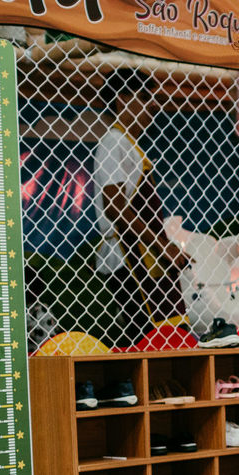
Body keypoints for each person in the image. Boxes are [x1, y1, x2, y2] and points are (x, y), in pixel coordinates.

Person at [92, 68, 191, 348]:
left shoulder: (130, 144)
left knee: (160, 333)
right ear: (124, 99)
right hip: (128, 254)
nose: (153, 105)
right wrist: (163, 246)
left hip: (145, 252)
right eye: (146, 97)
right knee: (146, 335)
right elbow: (115, 205)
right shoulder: (113, 142)